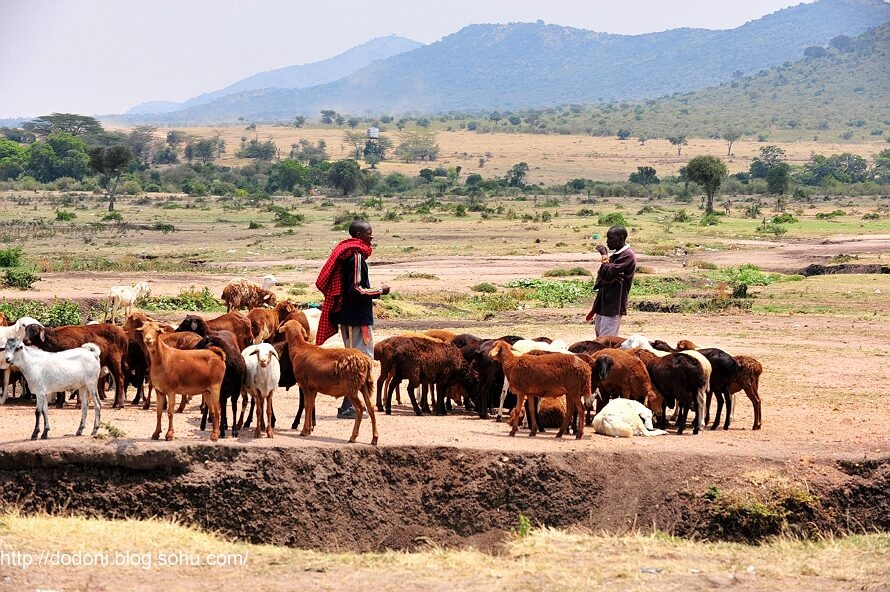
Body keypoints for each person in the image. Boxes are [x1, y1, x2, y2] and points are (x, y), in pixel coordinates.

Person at [315, 219, 390, 419]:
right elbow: (355, 289)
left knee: (356, 359)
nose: (371, 236)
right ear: (358, 235)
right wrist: (379, 291)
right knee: (360, 360)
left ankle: (351, 404)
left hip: (350, 316)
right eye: (368, 233)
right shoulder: (356, 256)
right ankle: (349, 406)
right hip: (356, 317)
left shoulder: (349, 253)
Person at [585, 225, 636, 337]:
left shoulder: (627, 255)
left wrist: (604, 256)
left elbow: (607, 272)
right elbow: (602, 274)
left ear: (621, 238)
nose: (607, 242)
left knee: (606, 340)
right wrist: (607, 279)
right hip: (603, 302)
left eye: (610, 238)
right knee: (600, 337)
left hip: (614, 302)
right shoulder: (616, 255)